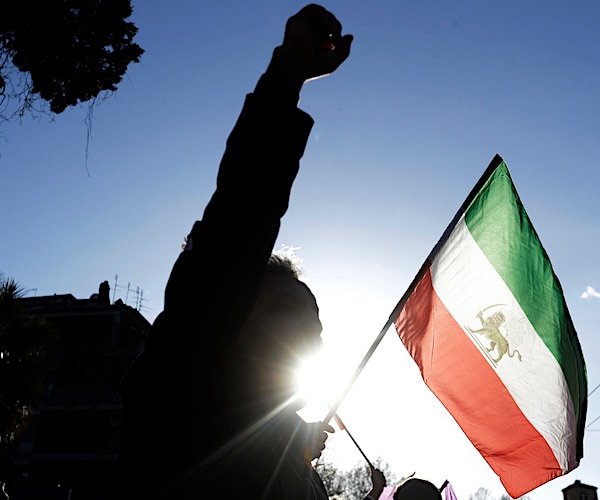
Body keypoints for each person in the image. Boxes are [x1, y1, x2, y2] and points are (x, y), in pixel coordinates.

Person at [115, 4, 353, 500]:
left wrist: (293, 444)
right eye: (287, 309)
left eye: (316, 319)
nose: (312, 330)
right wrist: (287, 77)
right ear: (229, 310)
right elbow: (243, 211)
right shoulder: (188, 387)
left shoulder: (298, 466)